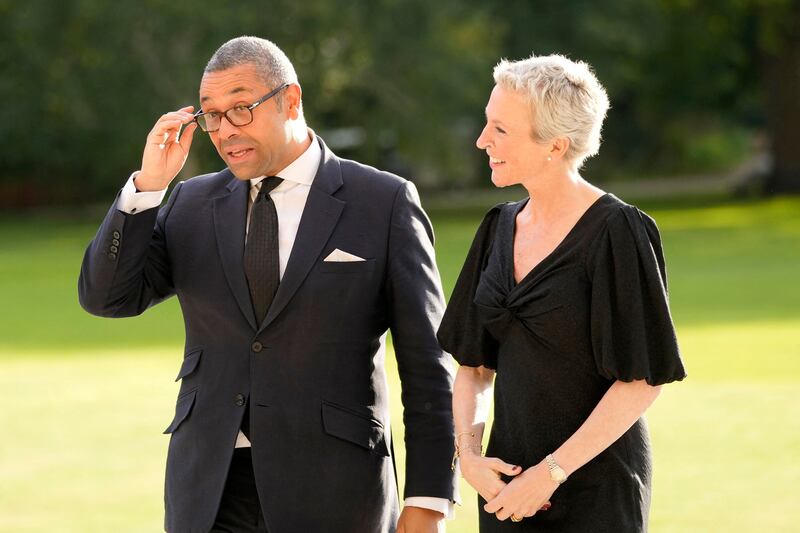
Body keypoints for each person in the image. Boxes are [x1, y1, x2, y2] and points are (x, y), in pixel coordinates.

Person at [79, 36, 457, 533]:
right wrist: (147, 189)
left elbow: (430, 365)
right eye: (211, 114)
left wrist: (429, 501)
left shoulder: (382, 202)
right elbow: (108, 298)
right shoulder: (190, 203)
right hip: (208, 494)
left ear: (291, 99)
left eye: (241, 108)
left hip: (336, 491)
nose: (224, 129)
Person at [437, 54, 686, 532]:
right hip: (505, 488)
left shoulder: (619, 231)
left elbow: (641, 381)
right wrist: (469, 458)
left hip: (596, 493)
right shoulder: (496, 228)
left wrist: (550, 474)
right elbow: (473, 367)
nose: (482, 140)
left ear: (555, 145)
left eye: (501, 129)